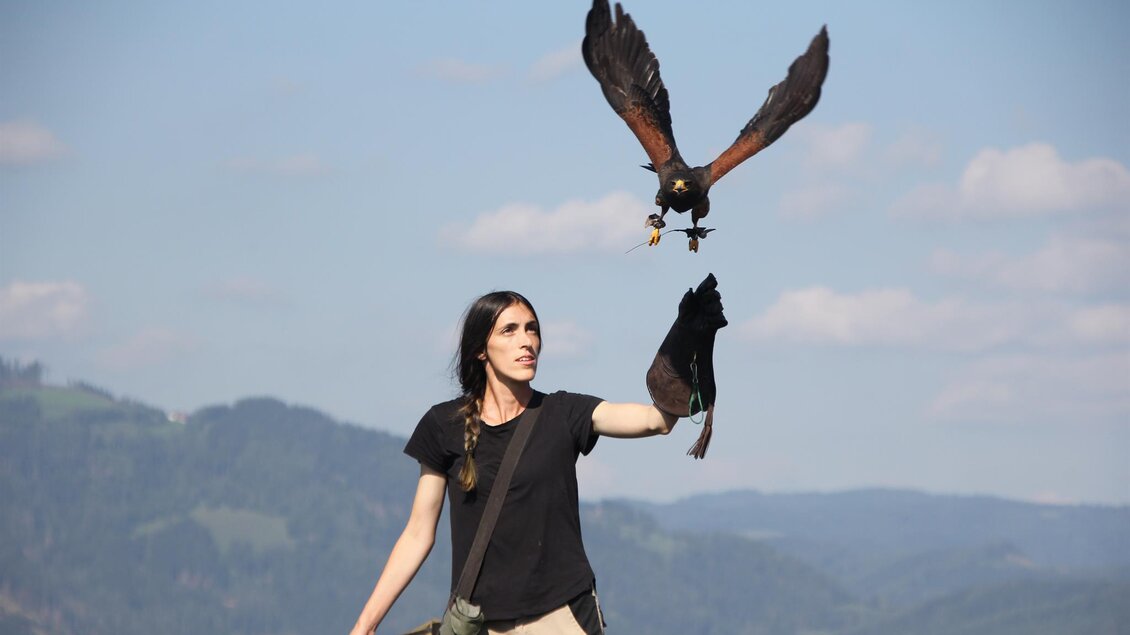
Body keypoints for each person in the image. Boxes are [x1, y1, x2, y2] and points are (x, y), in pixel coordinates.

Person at [350, 285, 722, 634]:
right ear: (481, 350)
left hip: (561, 617)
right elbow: (417, 534)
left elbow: (656, 422)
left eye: (532, 329)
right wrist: (365, 625)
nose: (526, 340)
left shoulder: (564, 412)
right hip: (479, 623)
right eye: (509, 331)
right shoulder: (442, 425)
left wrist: (685, 343)